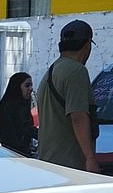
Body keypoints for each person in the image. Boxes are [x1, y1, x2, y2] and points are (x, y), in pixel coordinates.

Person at [36, 19, 100, 172]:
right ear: (87, 45)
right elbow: (78, 116)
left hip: (49, 162)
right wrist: (90, 158)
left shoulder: (53, 70)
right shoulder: (76, 71)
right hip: (69, 165)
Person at [0, 72, 36, 156]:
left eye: (31, 85)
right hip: (11, 154)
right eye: (27, 85)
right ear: (17, 88)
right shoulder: (7, 108)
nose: (31, 89)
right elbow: (23, 129)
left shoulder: (24, 104)